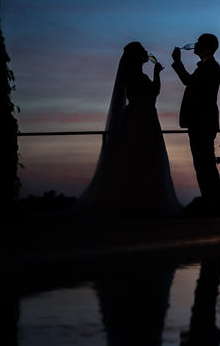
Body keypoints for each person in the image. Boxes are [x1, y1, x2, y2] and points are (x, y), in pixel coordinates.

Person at [75, 41, 182, 217]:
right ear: (137, 56)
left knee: (147, 158)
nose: (147, 52)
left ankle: (145, 202)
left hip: (146, 117)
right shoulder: (133, 77)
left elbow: (153, 94)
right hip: (139, 119)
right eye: (143, 51)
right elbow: (149, 95)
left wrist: (156, 74)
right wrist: (155, 76)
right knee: (137, 157)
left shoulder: (138, 75)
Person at [171, 33, 220, 207]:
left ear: (207, 46)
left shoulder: (211, 68)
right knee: (203, 164)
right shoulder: (207, 67)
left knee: (204, 164)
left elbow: (189, 82)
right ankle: (211, 201)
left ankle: (212, 203)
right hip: (201, 123)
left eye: (199, 43)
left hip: (202, 123)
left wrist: (177, 62)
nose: (195, 45)